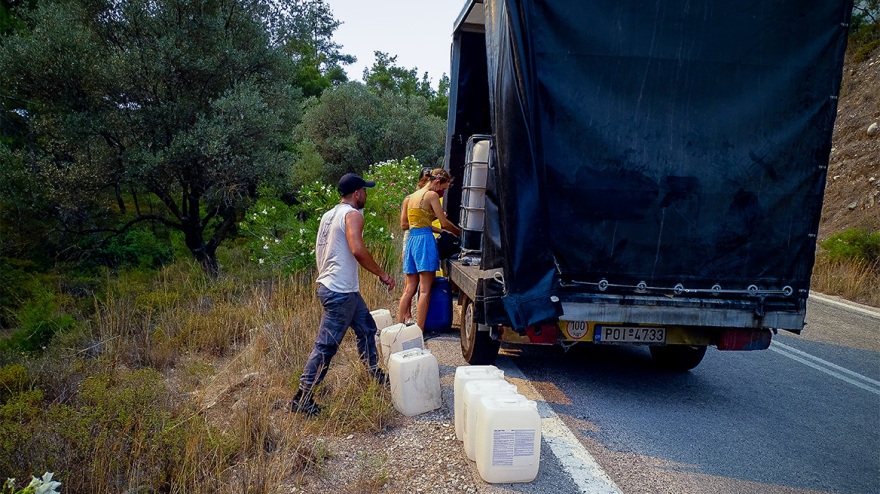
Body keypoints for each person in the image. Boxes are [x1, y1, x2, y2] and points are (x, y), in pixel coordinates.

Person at [292, 173, 396, 417]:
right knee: (326, 347)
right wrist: (382, 274)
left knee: (367, 328)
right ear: (357, 193)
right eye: (365, 191)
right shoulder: (353, 215)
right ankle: (302, 398)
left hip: (339, 288)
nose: (367, 195)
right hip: (339, 292)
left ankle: (374, 374)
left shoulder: (328, 215)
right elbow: (357, 250)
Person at [398, 169, 461, 330]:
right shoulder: (431, 195)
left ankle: (399, 326)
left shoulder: (412, 196)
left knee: (409, 289)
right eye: (443, 188)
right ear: (437, 182)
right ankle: (419, 330)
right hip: (425, 241)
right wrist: (460, 232)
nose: (442, 193)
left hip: (412, 241)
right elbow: (444, 222)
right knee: (425, 290)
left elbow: (417, 223)